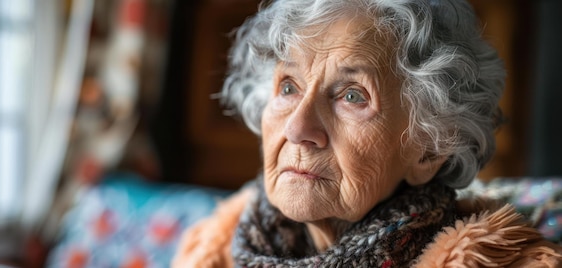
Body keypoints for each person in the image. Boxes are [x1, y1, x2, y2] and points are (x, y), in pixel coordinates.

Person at [173, 0, 562, 267]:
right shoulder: (213, 250)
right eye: (288, 87)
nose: (297, 128)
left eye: (353, 96)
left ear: (428, 148)